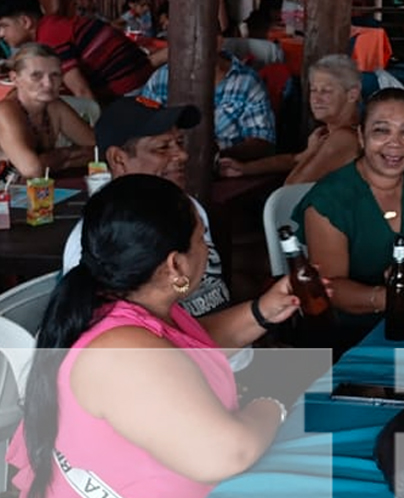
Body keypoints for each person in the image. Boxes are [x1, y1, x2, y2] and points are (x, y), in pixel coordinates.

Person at [7, 174, 300, 498]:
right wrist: (274, 403)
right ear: (175, 265)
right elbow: (227, 452)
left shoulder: (126, 307)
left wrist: (262, 312)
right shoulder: (122, 351)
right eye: (202, 240)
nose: (208, 249)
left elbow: (188, 350)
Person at [295, 88, 404, 335]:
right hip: (357, 332)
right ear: (361, 136)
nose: (395, 143)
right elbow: (329, 288)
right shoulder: (330, 200)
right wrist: (391, 298)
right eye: (381, 130)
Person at [62, 99, 231, 317]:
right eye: (163, 147)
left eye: (179, 143)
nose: (182, 155)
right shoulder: (98, 240)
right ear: (118, 159)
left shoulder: (188, 205)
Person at [218, 54, 363, 184]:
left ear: (352, 94)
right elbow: (295, 159)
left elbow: (291, 186)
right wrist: (245, 169)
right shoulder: (326, 132)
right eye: (313, 90)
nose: (316, 99)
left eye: (326, 91)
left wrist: (311, 153)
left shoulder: (344, 138)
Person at [0, 0, 153, 101]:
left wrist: (93, 134)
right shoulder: (50, 26)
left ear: (25, 22)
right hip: (136, 80)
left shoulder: (50, 36)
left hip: (129, 90)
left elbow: (81, 91)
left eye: (3, 26)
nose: (0, 34)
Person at [137, 49, 277, 160]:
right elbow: (142, 131)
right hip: (167, 166)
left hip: (224, 170)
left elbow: (263, 143)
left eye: (197, 39)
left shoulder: (247, 82)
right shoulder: (162, 78)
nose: (192, 47)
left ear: (218, 40)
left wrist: (215, 153)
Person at [0, 43, 96, 178]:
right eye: (36, 76)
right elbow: (32, 170)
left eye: (55, 75)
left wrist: (57, 157)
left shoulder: (53, 105)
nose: (48, 84)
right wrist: (66, 155)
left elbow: (98, 149)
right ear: (15, 79)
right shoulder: (5, 111)